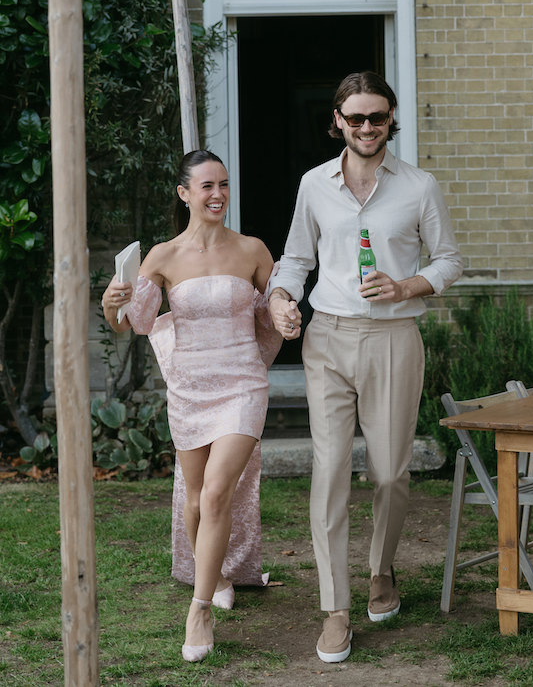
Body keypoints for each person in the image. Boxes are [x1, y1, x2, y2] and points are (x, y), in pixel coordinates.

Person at [269, 71, 462, 663]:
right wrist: (281, 299)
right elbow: (295, 258)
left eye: (377, 117)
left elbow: (451, 259)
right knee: (328, 472)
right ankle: (335, 609)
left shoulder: (419, 186)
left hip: (394, 338)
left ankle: (382, 569)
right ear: (338, 122)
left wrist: (407, 285)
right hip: (326, 339)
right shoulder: (314, 185)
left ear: (391, 118)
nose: (367, 127)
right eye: (355, 118)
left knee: (389, 474)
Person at [102, 150, 283, 662]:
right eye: (206, 186)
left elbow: (277, 306)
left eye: (223, 185)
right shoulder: (160, 256)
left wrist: (288, 314)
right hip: (189, 387)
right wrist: (111, 304)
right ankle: (219, 573)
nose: (218, 195)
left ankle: (199, 608)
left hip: (242, 382)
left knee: (220, 490)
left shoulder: (252, 249)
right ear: (184, 194)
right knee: (198, 500)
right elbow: (132, 324)